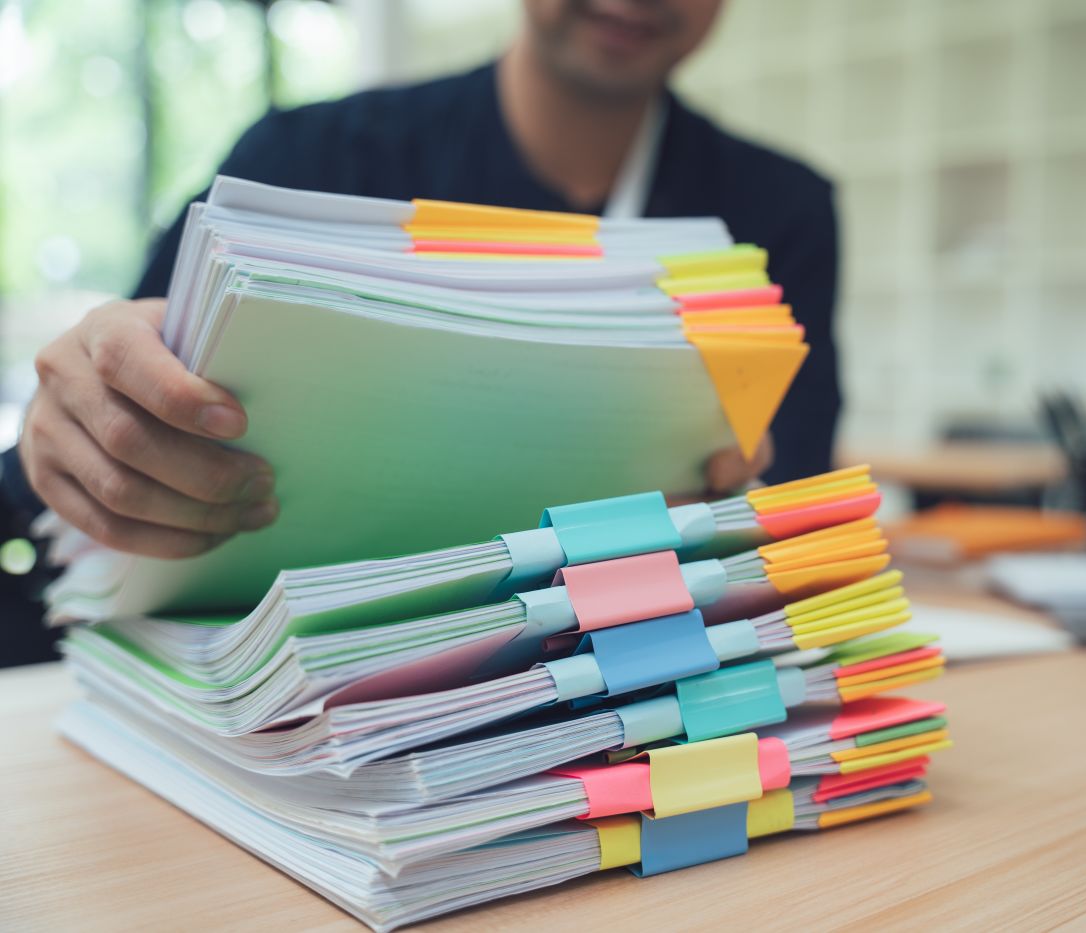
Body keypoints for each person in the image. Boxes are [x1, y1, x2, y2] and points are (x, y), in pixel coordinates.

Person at [1, 0, 840, 572]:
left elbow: (788, 490)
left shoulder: (779, 213)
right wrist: (71, 424)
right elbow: (115, 403)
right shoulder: (310, 162)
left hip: (619, 690)